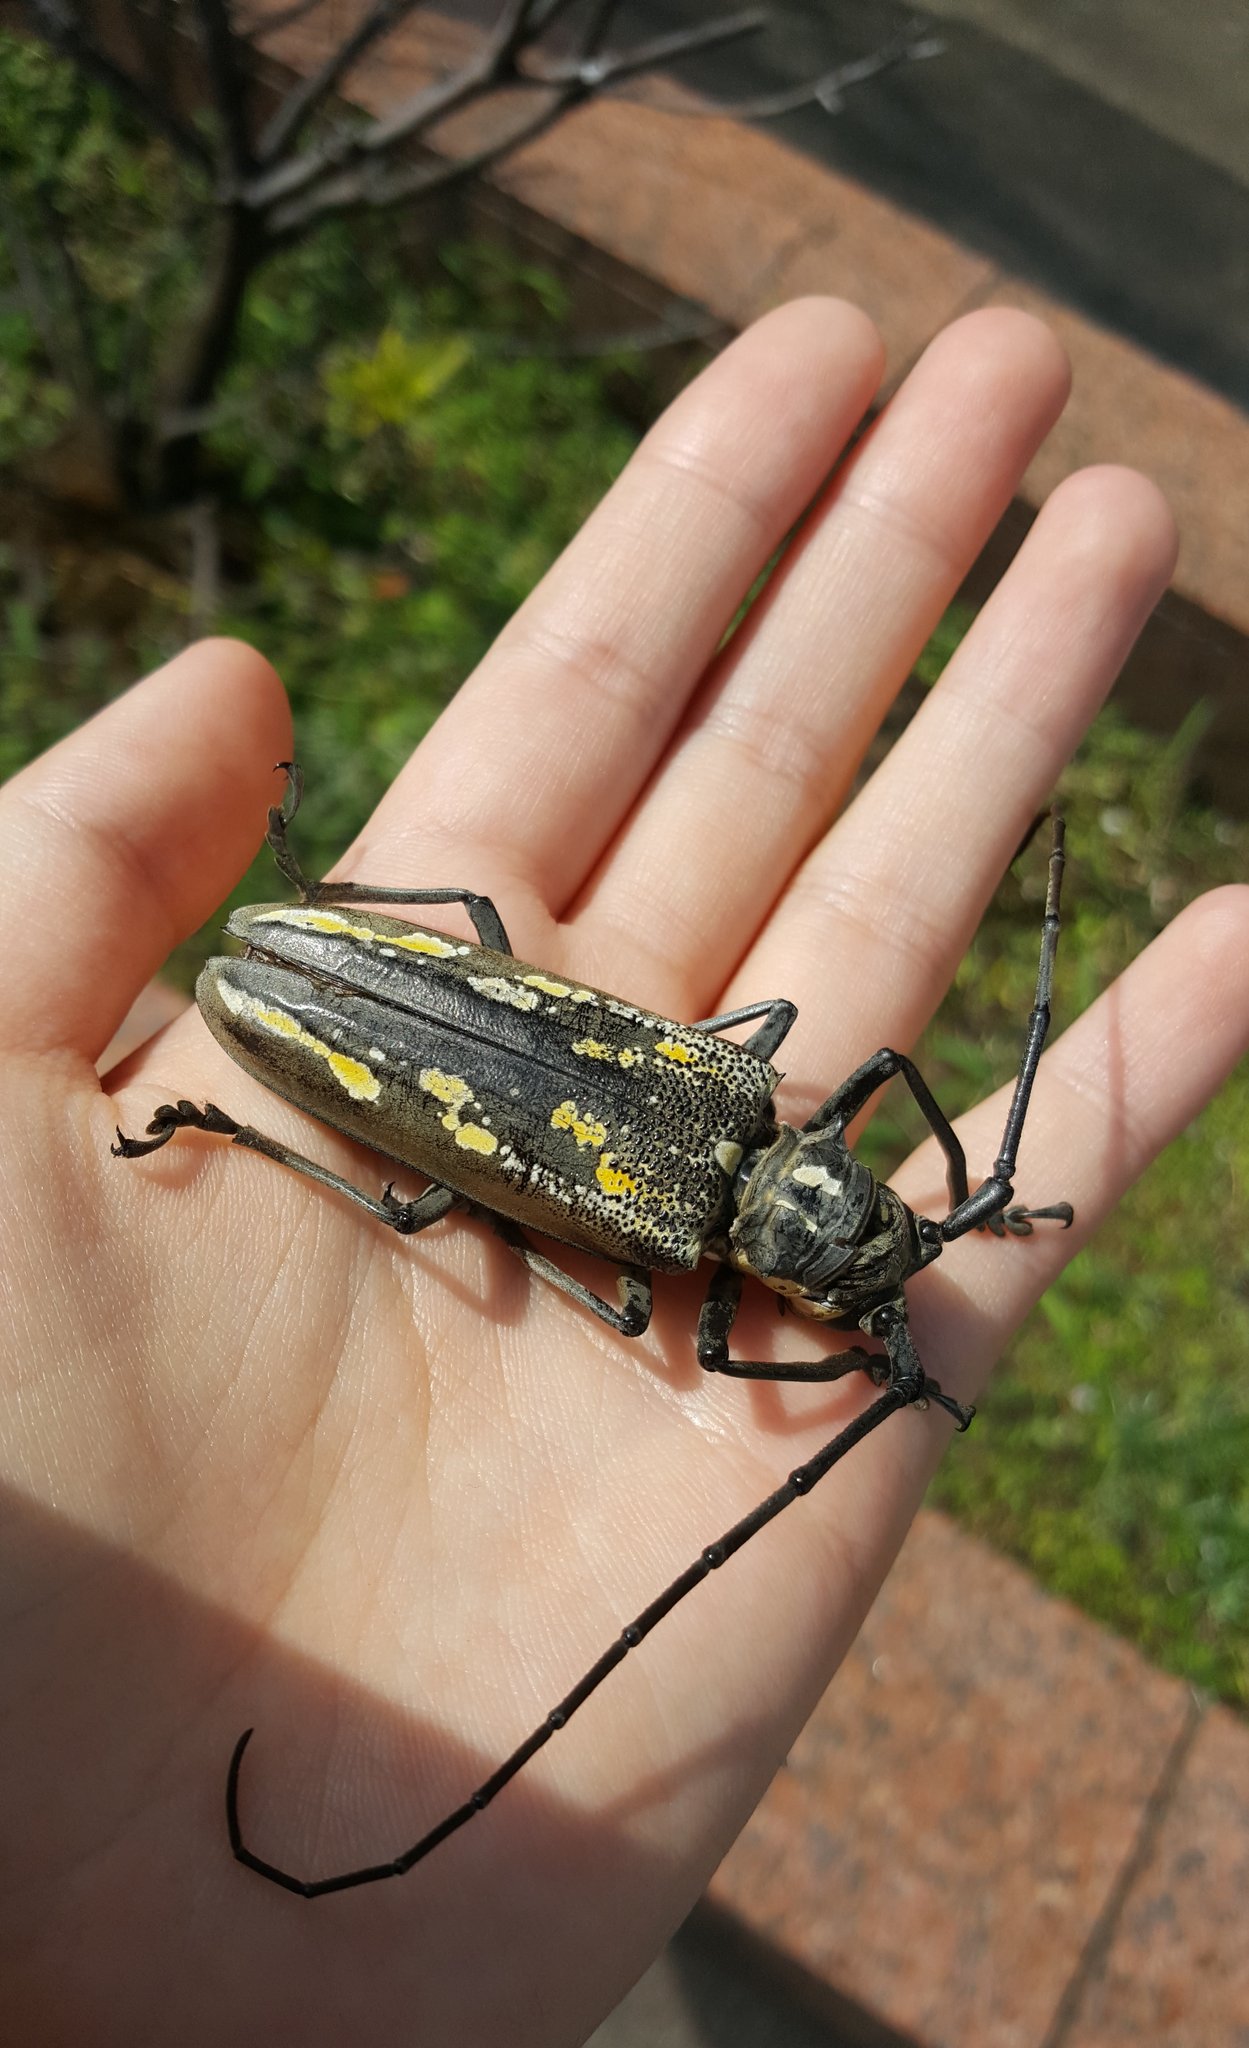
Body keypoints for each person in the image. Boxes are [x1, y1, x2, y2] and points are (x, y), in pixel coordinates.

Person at [2, 300, 1245, 2043]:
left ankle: (265, 1035)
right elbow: (734, 1344)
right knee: (427, 1191)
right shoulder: (681, 1261)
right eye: (907, 1214)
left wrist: (931, 1234)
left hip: (411, 1021)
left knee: (468, 1103)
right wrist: (858, 1346)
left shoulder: (742, 1106)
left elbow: (863, 1098)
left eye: (886, 1236)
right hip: (337, 1011)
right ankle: (244, 1090)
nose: (893, 1232)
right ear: (829, 1193)